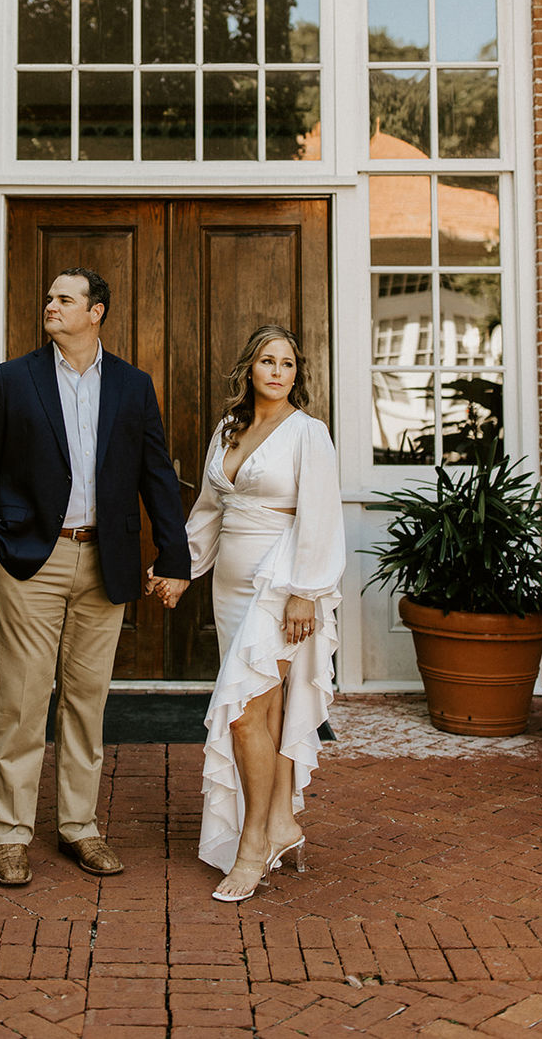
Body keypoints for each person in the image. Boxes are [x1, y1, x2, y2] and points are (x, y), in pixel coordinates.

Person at [0, 267, 190, 887]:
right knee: (22, 701)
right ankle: (10, 835)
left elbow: (156, 475)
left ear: (96, 312)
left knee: (86, 702)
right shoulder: (15, 379)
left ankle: (79, 827)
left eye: (65, 299)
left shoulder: (132, 385)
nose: (51, 305)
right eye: (49, 297)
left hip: (105, 561)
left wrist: (175, 557)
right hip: (30, 561)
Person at [148, 324, 345, 902]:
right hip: (230, 588)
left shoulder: (308, 433)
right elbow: (210, 510)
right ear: (249, 369)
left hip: (280, 585)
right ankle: (281, 822)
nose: (278, 371)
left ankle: (252, 845)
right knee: (268, 712)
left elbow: (321, 516)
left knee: (241, 713)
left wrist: (306, 591)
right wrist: (180, 569)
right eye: (267, 361)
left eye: (288, 363)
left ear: (296, 373)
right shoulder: (228, 429)